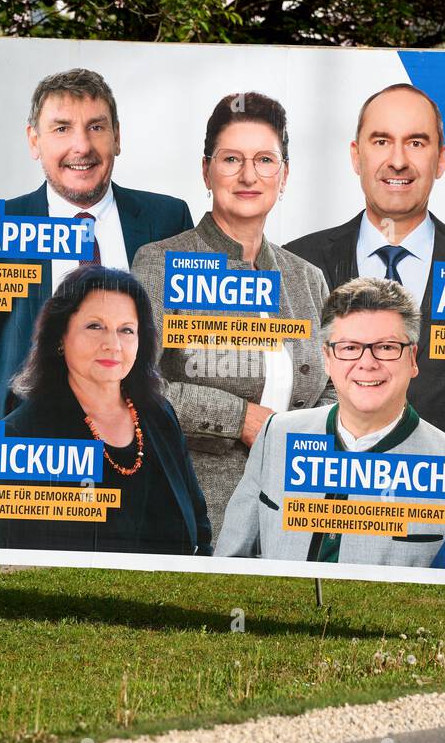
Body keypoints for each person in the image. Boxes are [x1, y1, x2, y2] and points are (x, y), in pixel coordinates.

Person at [0, 67, 194, 545]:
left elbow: (186, 347)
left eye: (96, 126)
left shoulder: (166, 219)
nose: (82, 146)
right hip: (28, 479)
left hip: (141, 480)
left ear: (117, 137)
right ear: (34, 141)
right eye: (61, 128)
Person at [284, 83, 445, 541]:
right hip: (321, 522)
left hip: (440, 526)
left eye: (416, 142)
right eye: (382, 141)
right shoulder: (298, 263)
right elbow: (282, 401)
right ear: (357, 156)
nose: (398, 160)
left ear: (440, 160)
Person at [132, 92, 333, 538]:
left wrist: (315, 437)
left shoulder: (306, 278)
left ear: (284, 177)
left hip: (295, 507)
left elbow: (336, 381)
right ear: (206, 170)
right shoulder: (160, 263)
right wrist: (240, 419)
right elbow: (135, 383)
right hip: (194, 508)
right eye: (231, 159)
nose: (248, 175)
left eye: (265, 160)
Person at [215, 278, 445, 567]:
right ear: (327, 359)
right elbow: (228, 568)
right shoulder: (276, 436)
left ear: (412, 359)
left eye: (385, 347)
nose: (367, 362)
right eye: (349, 348)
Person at [0, 266, 211, 556]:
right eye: (95, 326)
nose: (112, 345)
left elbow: (200, 529)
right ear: (60, 337)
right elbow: (3, 560)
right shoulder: (19, 436)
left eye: (126, 330)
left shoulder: (160, 415)